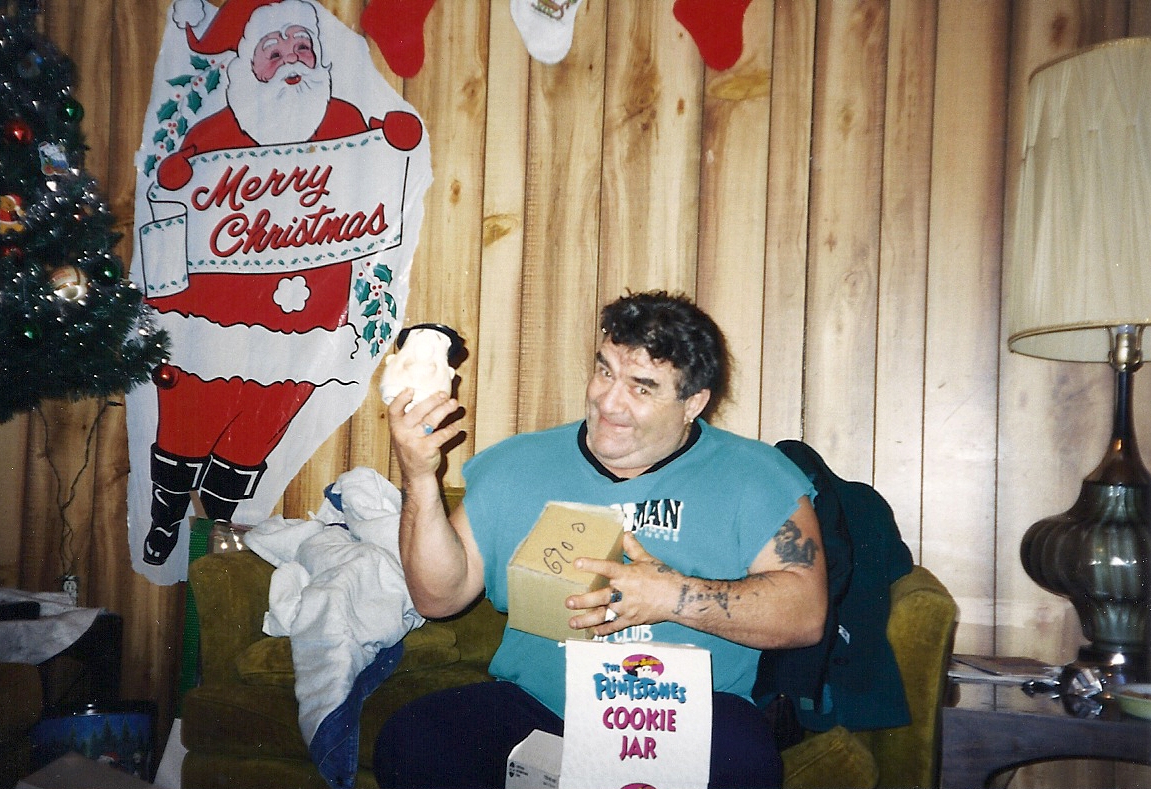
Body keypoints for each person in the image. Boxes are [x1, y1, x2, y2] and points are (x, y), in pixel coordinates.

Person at [375, 291, 827, 789]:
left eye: (642, 387)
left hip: (681, 716)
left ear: (693, 403)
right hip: (541, 710)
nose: (609, 401)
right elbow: (437, 597)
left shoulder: (756, 476)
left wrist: (671, 596)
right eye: (605, 371)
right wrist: (419, 476)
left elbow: (805, 614)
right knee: (412, 739)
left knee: (743, 758)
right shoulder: (517, 465)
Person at [139, 0, 422, 565]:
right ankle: (166, 516)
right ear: (248, 64)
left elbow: (377, 157)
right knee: (187, 422)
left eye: (301, 48)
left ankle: (219, 524)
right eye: (274, 51)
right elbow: (175, 188)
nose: (291, 60)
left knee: (256, 432)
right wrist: (176, 176)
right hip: (208, 321)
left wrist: (391, 139)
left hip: (301, 325)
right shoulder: (216, 131)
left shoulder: (342, 123)